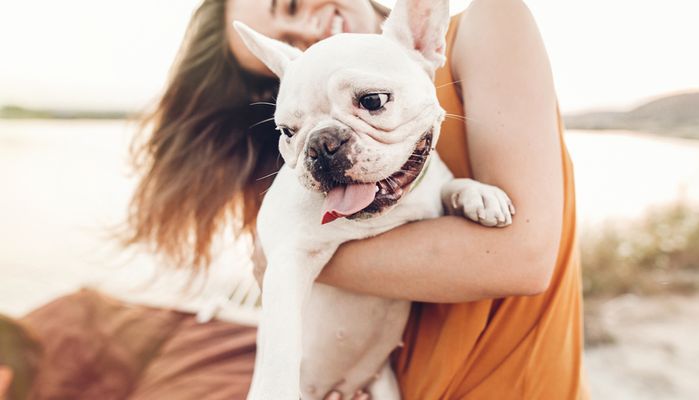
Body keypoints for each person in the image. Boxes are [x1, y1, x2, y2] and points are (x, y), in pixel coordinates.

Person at [127, 0, 588, 398]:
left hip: (511, 380)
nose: (307, 31)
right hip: (387, 384)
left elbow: (523, 256)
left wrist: (293, 257)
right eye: (292, 127)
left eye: (289, 3)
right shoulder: (313, 173)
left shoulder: (482, 26)